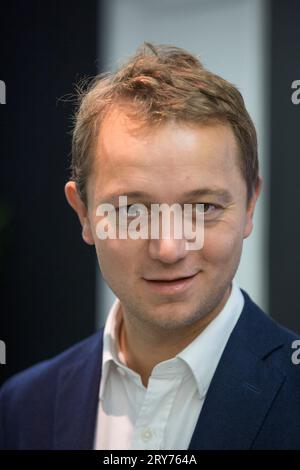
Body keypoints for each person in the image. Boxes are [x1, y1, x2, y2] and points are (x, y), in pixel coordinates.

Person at [1, 43, 300, 450]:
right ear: (83, 213)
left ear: (249, 206)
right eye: (130, 210)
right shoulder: (21, 407)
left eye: (202, 207)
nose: (168, 248)